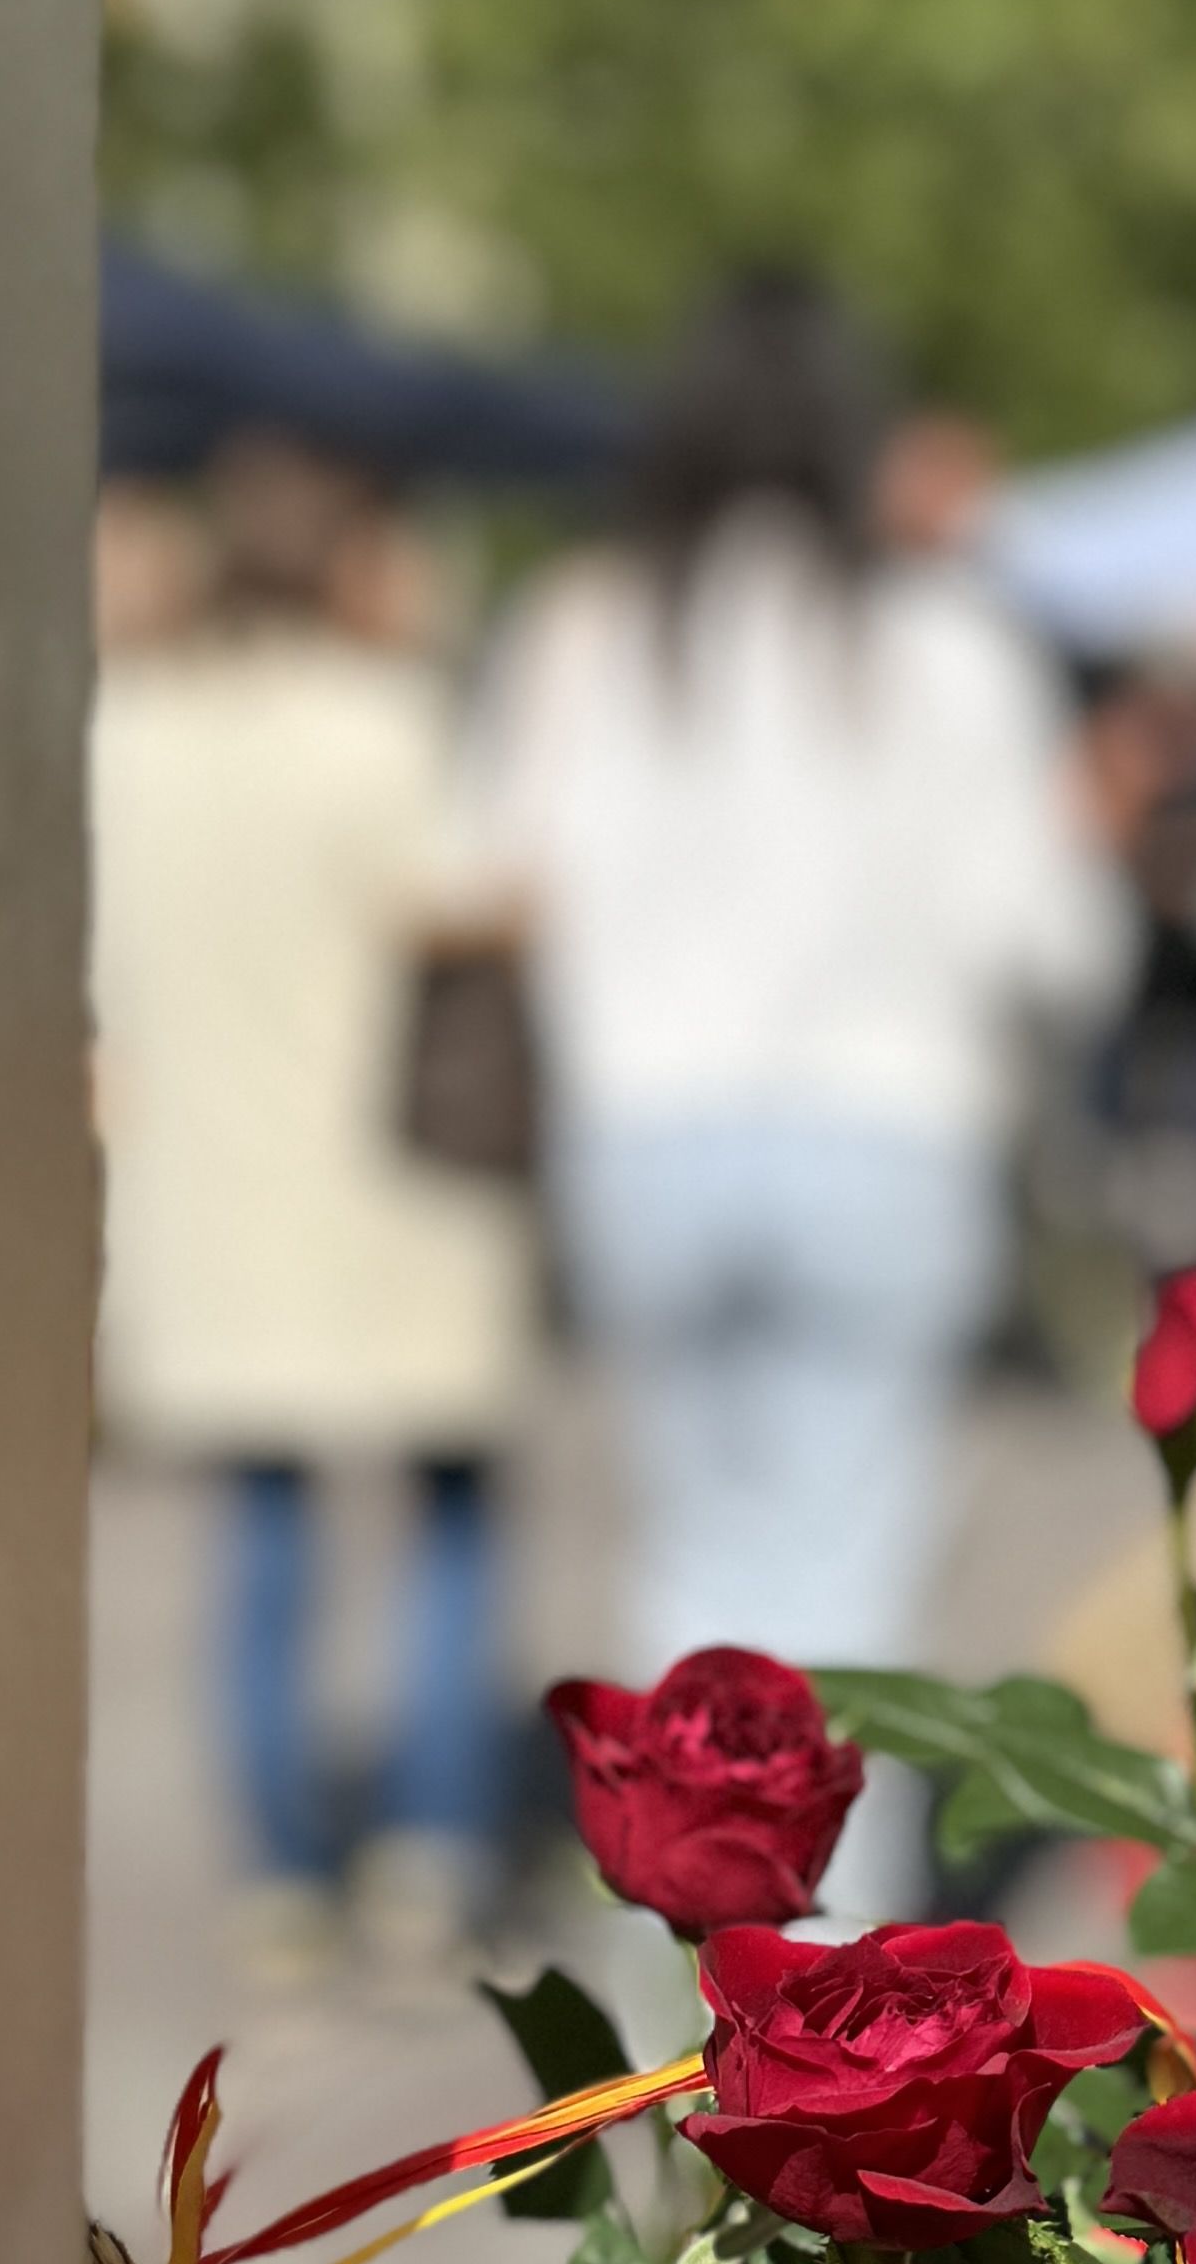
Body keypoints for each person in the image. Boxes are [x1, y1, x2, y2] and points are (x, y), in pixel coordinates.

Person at [468, 269, 1126, 1778]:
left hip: (645, 1139)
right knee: (852, 1592)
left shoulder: (583, 628)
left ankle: (687, 1947)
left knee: (682, 1569)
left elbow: (497, 874)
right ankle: (836, 1981)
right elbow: (1057, 943)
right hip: (886, 1143)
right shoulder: (949, 646)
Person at [91, 428, 537, 1978]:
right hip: (397, 1185)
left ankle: (282, 1874)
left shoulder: (131, 729)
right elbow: (473, 902)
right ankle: (429, 1849)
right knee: (451, 1512)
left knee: (263, 1529)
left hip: (211, 1194)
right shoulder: (386, 724)